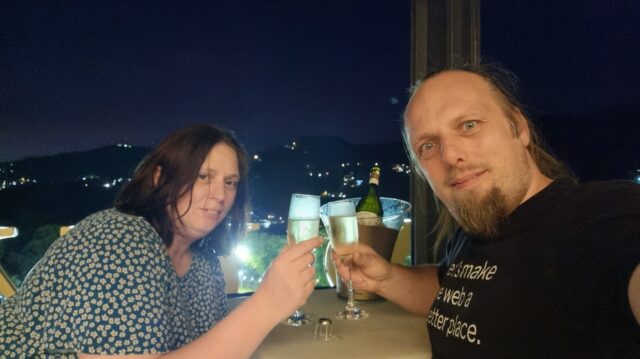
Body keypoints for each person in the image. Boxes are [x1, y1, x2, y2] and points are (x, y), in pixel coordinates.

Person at [335, 64, 640, 357]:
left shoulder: (600, 216)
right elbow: (455, 293)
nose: (451, 155)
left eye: (469, 125)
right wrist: (384, 279)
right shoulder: (471, 236)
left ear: (519, 128)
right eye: (428, 146)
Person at [0, 124, 322, 358]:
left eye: (231, 182)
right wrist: (266, 304)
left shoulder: (203, 266)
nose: (220, 194)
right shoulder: (119, 239)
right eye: (203, 176)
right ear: (159, 178)